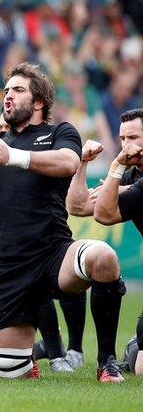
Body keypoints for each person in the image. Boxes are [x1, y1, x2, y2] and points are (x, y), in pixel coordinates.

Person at [0, 62, 125, 382]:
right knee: (9, 371)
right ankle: (36, 349)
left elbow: (68, 162)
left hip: (53, 252)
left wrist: (14, 157)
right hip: (7, 266)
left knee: (103, 257)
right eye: (5, 90)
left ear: (38, 102)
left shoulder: (59, 132)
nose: (7, 96)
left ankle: (107, 361)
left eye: (17, 90)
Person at [91, 110, 143, 376]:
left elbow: (105, 213)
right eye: (122, 138)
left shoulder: (128, 179)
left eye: (133, 137)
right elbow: (79, 205)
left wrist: (114, 169)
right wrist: (81, 166)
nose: (126, 145)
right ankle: (135, 348)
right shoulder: (131, 176)